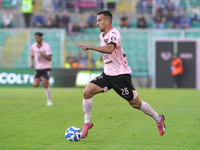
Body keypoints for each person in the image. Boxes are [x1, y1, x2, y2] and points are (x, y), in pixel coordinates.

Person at [77, 10, 166, 138]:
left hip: (121, 76)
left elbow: (109, 49)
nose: (97, 23)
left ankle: (158, 118)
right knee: (87, 91)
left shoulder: (115, 34)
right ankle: (87, 123)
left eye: (99, 20)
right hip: (107, 75)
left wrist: (90, 47)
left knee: (135, 103)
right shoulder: (102, 36)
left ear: (107, 21)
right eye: (97, 21)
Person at [30, 32, 53, 106]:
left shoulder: (46, 46)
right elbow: (32, 55)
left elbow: (49, 58)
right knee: (35, 85)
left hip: (46, 67)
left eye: (37, 37)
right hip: (38, 68)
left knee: (45, 85)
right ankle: (45, 81)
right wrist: (32, 63)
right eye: (35, 38)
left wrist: (41, 54)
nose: (36, 39)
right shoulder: (33, 46)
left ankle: (49, 101)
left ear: (41, 38)